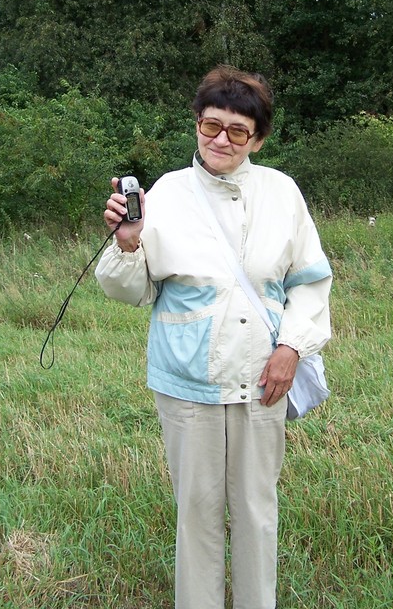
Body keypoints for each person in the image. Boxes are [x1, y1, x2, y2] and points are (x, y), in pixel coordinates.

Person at [95, 65, 332, 609]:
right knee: (197, 512)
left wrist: (291, 347)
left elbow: (310, 282)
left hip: (264, 379)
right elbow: (129, 290)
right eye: (210, 126)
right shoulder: (167, 195)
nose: (220, 139)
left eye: (238, 130)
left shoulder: (282, 193)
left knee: (255, 510)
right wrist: (128, 243)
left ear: (259, 138)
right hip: (186, 382)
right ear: (196, 125)